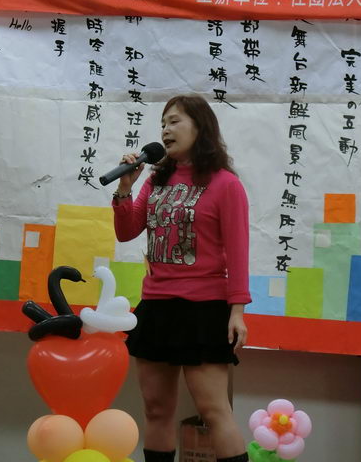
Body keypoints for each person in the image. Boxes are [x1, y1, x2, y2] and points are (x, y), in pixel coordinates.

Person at [112, 94, 251, 462]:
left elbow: (238, 251)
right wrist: (125, 188)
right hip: (156, 305)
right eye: (163, 123)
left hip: (203, 308)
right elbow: (126, 232)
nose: (165, 130)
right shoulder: (155, 181)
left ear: (200, 128)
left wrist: (237, 311)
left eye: (174, 121)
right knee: (156, 409)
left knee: (213, 410)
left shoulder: (225, 184)